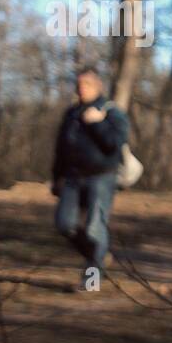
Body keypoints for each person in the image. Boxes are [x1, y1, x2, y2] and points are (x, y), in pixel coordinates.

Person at [51, 67, 129, 290]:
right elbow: (60, 149)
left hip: (102, 178)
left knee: (96, 229)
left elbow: (114, 144)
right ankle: (99, 257)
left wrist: (97, 123)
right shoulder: (72, 114)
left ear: (97, 86)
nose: (80, 89)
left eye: (86, 84)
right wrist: (56, 177)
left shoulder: (112, 112)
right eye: (78, 84)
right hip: (72, 178)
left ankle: (91, 281)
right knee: (64, 224)